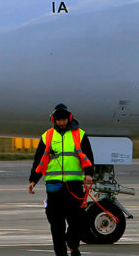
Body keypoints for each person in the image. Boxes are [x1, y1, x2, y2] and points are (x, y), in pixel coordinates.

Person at [28, 103, 94, 256]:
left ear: (69, 119)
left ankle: (73, 245)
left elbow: (88, 156)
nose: (62, 122)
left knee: (76, 221)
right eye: (59, 120)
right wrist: (33, 179)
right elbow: (39, 160)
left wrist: (89, 174)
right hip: (54, 185)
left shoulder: (80, 134)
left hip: (74, 184)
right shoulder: (47, 136)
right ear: (54, 120)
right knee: (56, 224)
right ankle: (61, 253)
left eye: (64, 120)